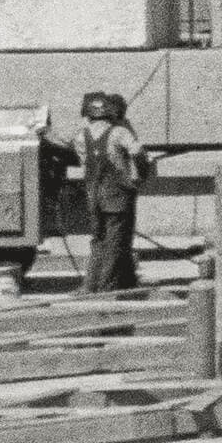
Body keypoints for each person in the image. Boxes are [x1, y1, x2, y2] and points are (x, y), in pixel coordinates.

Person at [70, 91, 147, 296]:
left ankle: (90, 285)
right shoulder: (119, 132)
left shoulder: (80, 136)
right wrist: (140, 174)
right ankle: (108, 287)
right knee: (116, 242)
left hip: (94, 196)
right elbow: (137, 152)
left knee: (98, 241)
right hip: (118, 196)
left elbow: (83, 161)